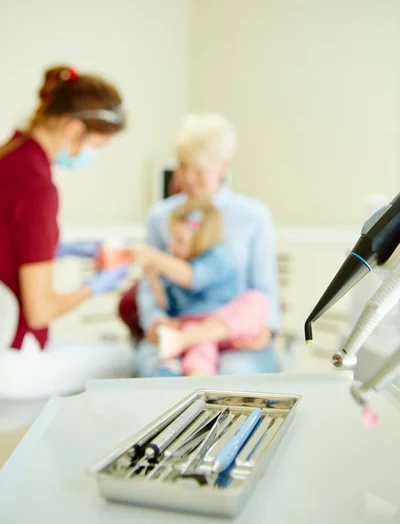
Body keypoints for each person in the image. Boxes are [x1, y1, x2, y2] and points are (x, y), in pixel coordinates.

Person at [135, 113, 280, 377]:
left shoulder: (253, 216)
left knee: (233, 374)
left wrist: (265, 331)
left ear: (223, 166)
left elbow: (264, 289)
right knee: (160, 372)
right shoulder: (160, 216)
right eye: (182, 166)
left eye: (199, 169)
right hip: (179, 325)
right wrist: (155, 323)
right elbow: (149, 288)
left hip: (234, 333)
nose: (188, 177)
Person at [0, 65, 129, 351]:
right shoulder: (37, 187)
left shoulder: (10, 156)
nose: (93, 156)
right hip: (16, 349)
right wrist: (96, 286)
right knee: (120, 360)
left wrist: (59, 248)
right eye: (97, 146)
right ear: (73, 129)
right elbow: (40, 311)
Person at [132, 198, 269, 376]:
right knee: (201, 349)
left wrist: (155, 258)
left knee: (257, 301)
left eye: (180, 240)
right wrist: (152, 277)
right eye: (172, 238)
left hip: (224, 328)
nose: (172, 245)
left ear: (201, 240)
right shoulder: (174, 265)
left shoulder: (218, 258)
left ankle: (184, 341)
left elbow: (193, 277)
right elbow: (164, 303)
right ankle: (184, 370)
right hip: (192, 327)